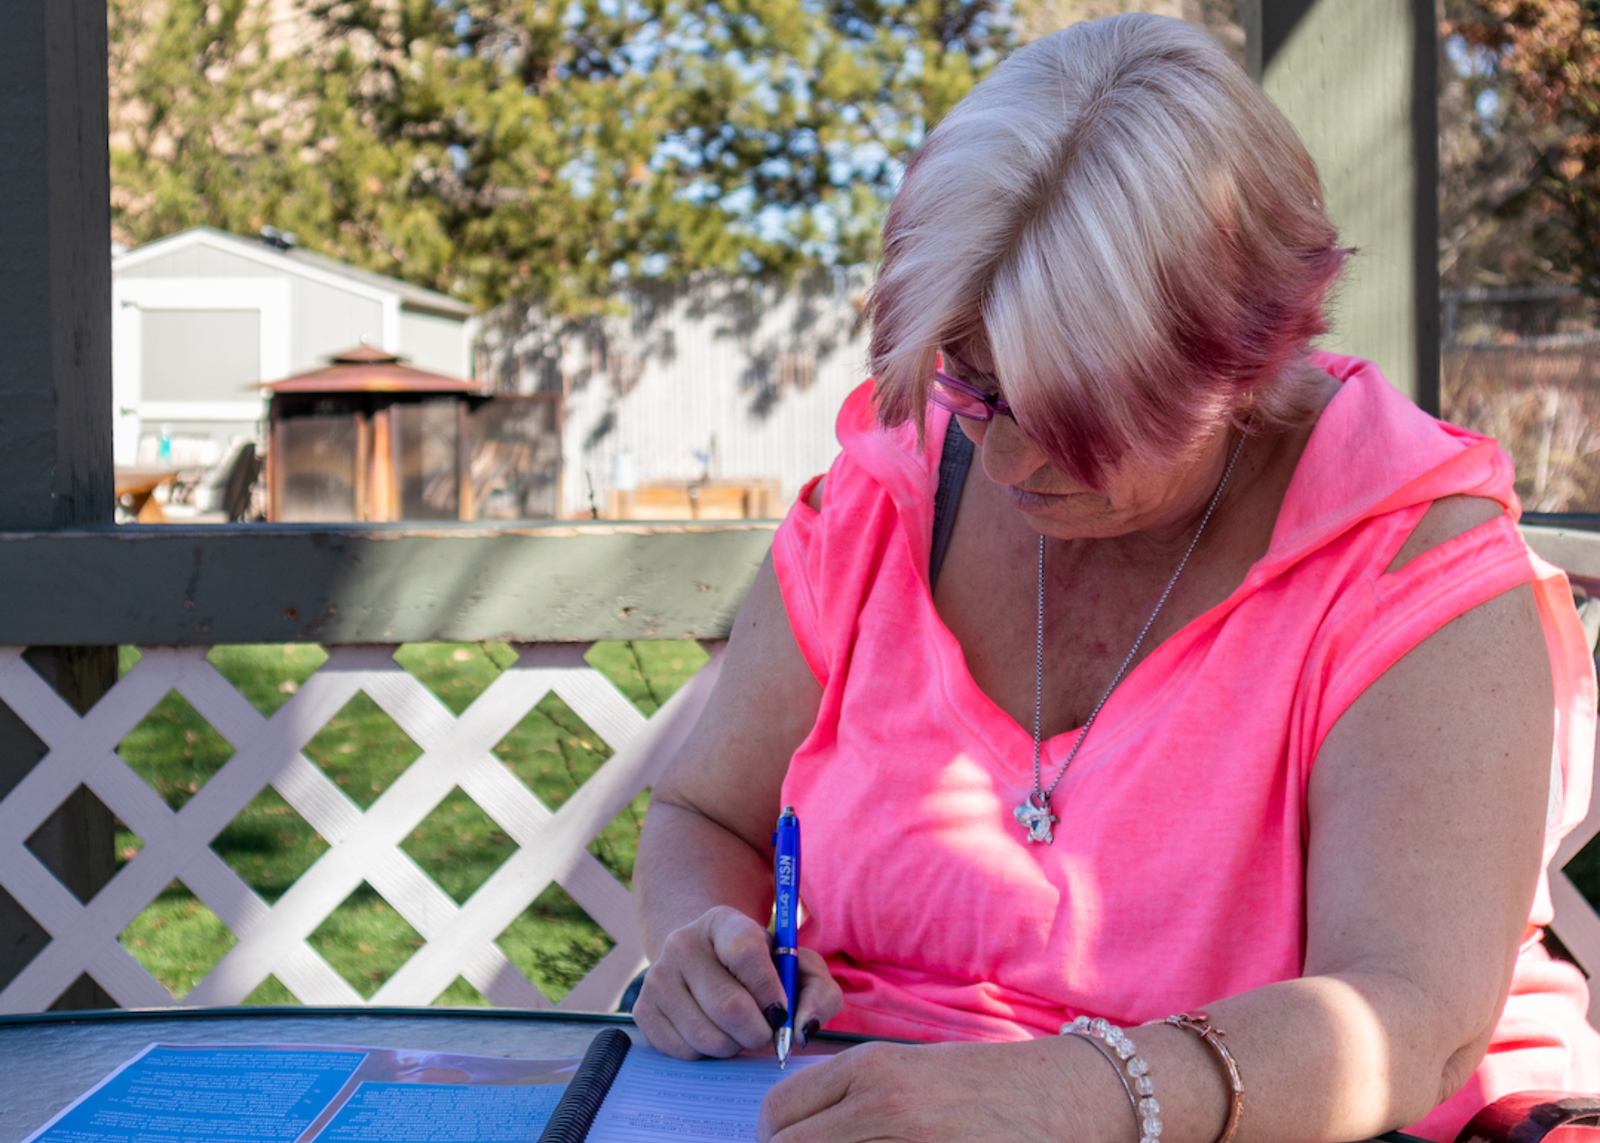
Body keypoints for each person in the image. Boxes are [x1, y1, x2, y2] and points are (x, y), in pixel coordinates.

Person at [631, 13, 1600, 1143]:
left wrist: (1072, 1093)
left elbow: (1408, 1016)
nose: (1002, 459)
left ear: (1250, 356)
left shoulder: (1403, 559)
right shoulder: (884, 499)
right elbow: (707, 812)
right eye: (972, 381)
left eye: (1074, 415)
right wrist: (701, 935)